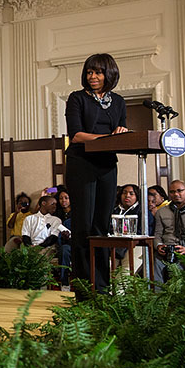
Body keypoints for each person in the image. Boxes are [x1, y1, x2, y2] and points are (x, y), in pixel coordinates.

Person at [65, 53, 128, 294]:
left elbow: (120, 131)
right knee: (84, 225)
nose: (93, 76)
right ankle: (82, 288)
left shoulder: (119, 101)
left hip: (107, 165)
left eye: (98, 72)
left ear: (109, 74)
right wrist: (108, 137)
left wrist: (120, 133)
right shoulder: (77, 98)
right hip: (81, 163)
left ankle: (101, 286)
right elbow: (77, 135)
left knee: (102, 226)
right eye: (90, 72)